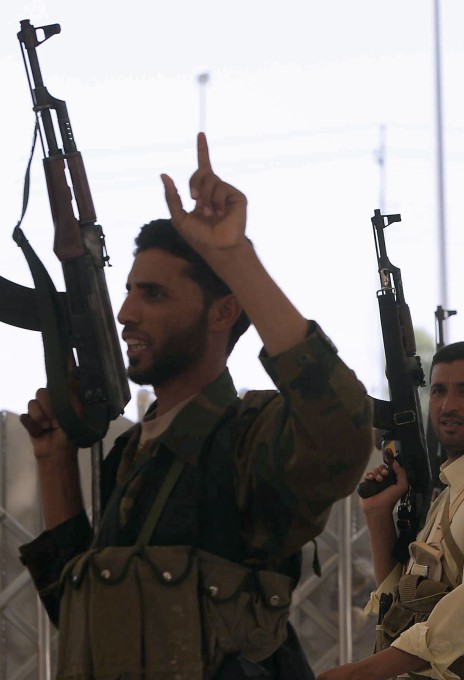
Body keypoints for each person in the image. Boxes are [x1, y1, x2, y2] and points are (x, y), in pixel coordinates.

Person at [18, 134, 374, 680]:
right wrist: (54, 461)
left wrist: (236, 258)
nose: (126, 313)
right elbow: (87, 618)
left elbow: (340, 434)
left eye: (154, 295)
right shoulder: (132, 456)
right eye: (130, 290)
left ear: (222, 311)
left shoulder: (245, 441)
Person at [318, 341, 464, 680]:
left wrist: (366, 671)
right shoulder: (456, 488)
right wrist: (377, 516)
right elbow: (403, 600)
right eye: (438, 392)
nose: (448, 406)